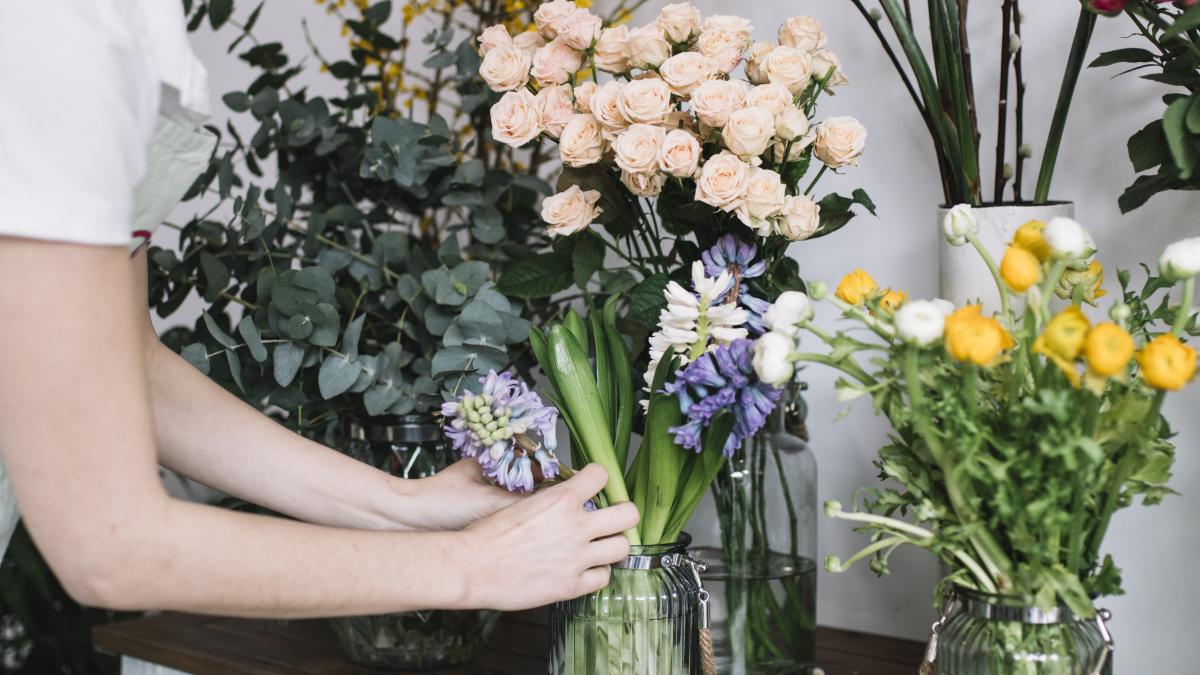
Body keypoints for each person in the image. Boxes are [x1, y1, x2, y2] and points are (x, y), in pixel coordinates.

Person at [0, 1, 636, 618]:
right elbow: (111, 547)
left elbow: (125, 362)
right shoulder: (60, 33)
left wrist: (404, 505)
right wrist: (473, 566)